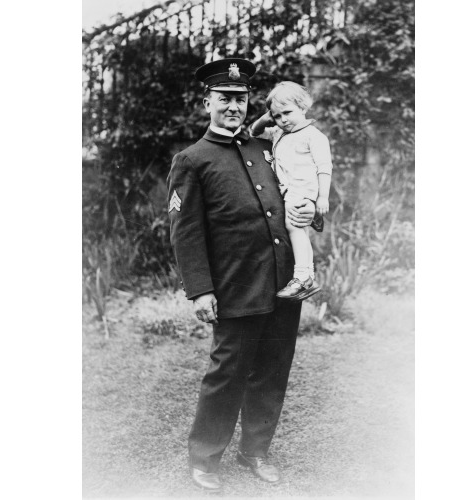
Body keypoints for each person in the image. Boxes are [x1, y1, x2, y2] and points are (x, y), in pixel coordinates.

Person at [166, 59, 317, 493]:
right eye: (225, 99)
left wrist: (312, 212)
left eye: (241, 98)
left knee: (272, 368)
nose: (234, 106)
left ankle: (255, 451)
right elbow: (186, 232)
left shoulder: (267, 148)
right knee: (228, 370)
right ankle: (205, 458)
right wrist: (200, 291)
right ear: (208, 102)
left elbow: (299, 198)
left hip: (283, 282)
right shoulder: (192, 160)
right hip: (235, 284)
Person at [250, 81, 333, 300]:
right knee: (296, 231)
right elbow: (254, 132)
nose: (283, 120)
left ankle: (303, 276)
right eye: (277, 116)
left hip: (303, 190)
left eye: (287, 113)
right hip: (285, 192)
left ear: (303, 108)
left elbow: (324, 168)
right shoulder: (278, 133)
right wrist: (266, 119)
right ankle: (306, 276)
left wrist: (322, 197)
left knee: (294, 226)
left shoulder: (313, 136)